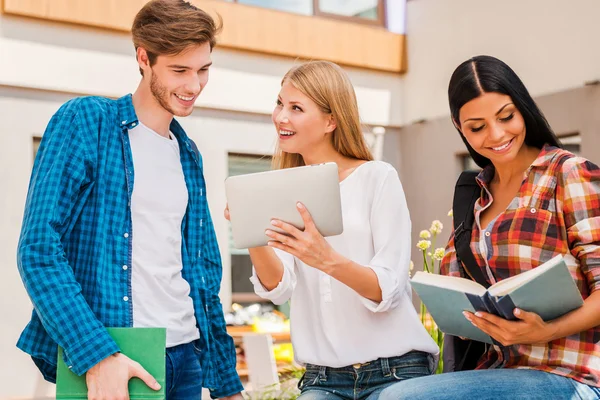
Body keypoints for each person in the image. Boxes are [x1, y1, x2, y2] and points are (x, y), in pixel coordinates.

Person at [16, 1, 243, 399]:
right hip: (116, 353)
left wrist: (225, 383)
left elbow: (203, 275)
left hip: (186, 358)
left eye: (203, 69)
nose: (194, 86)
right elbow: (38, 250)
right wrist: (97, 355)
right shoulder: (87, 122)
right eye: (180, 70)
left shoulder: (188, 154)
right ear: (144, 58)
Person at [377, 55, 600, 399]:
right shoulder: (474, 197)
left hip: (573, 375)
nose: (496, 135)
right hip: (500, 372)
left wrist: (544, 331)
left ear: (523, 107)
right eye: (477, 127)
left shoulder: (568, 174)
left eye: (506, 116)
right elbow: (456, 294)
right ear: (459, 126)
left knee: (401, 398)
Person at [225, 60, 439, 399]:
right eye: (280, 103)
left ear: (331, 120)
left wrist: (325, 259)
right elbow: (278, 289)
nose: (281, 117)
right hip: (323, 380)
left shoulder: (377, 178)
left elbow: (389, 289)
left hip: (395, 371)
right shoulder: (281, 190)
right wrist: (250, 230)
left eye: (296, 108)